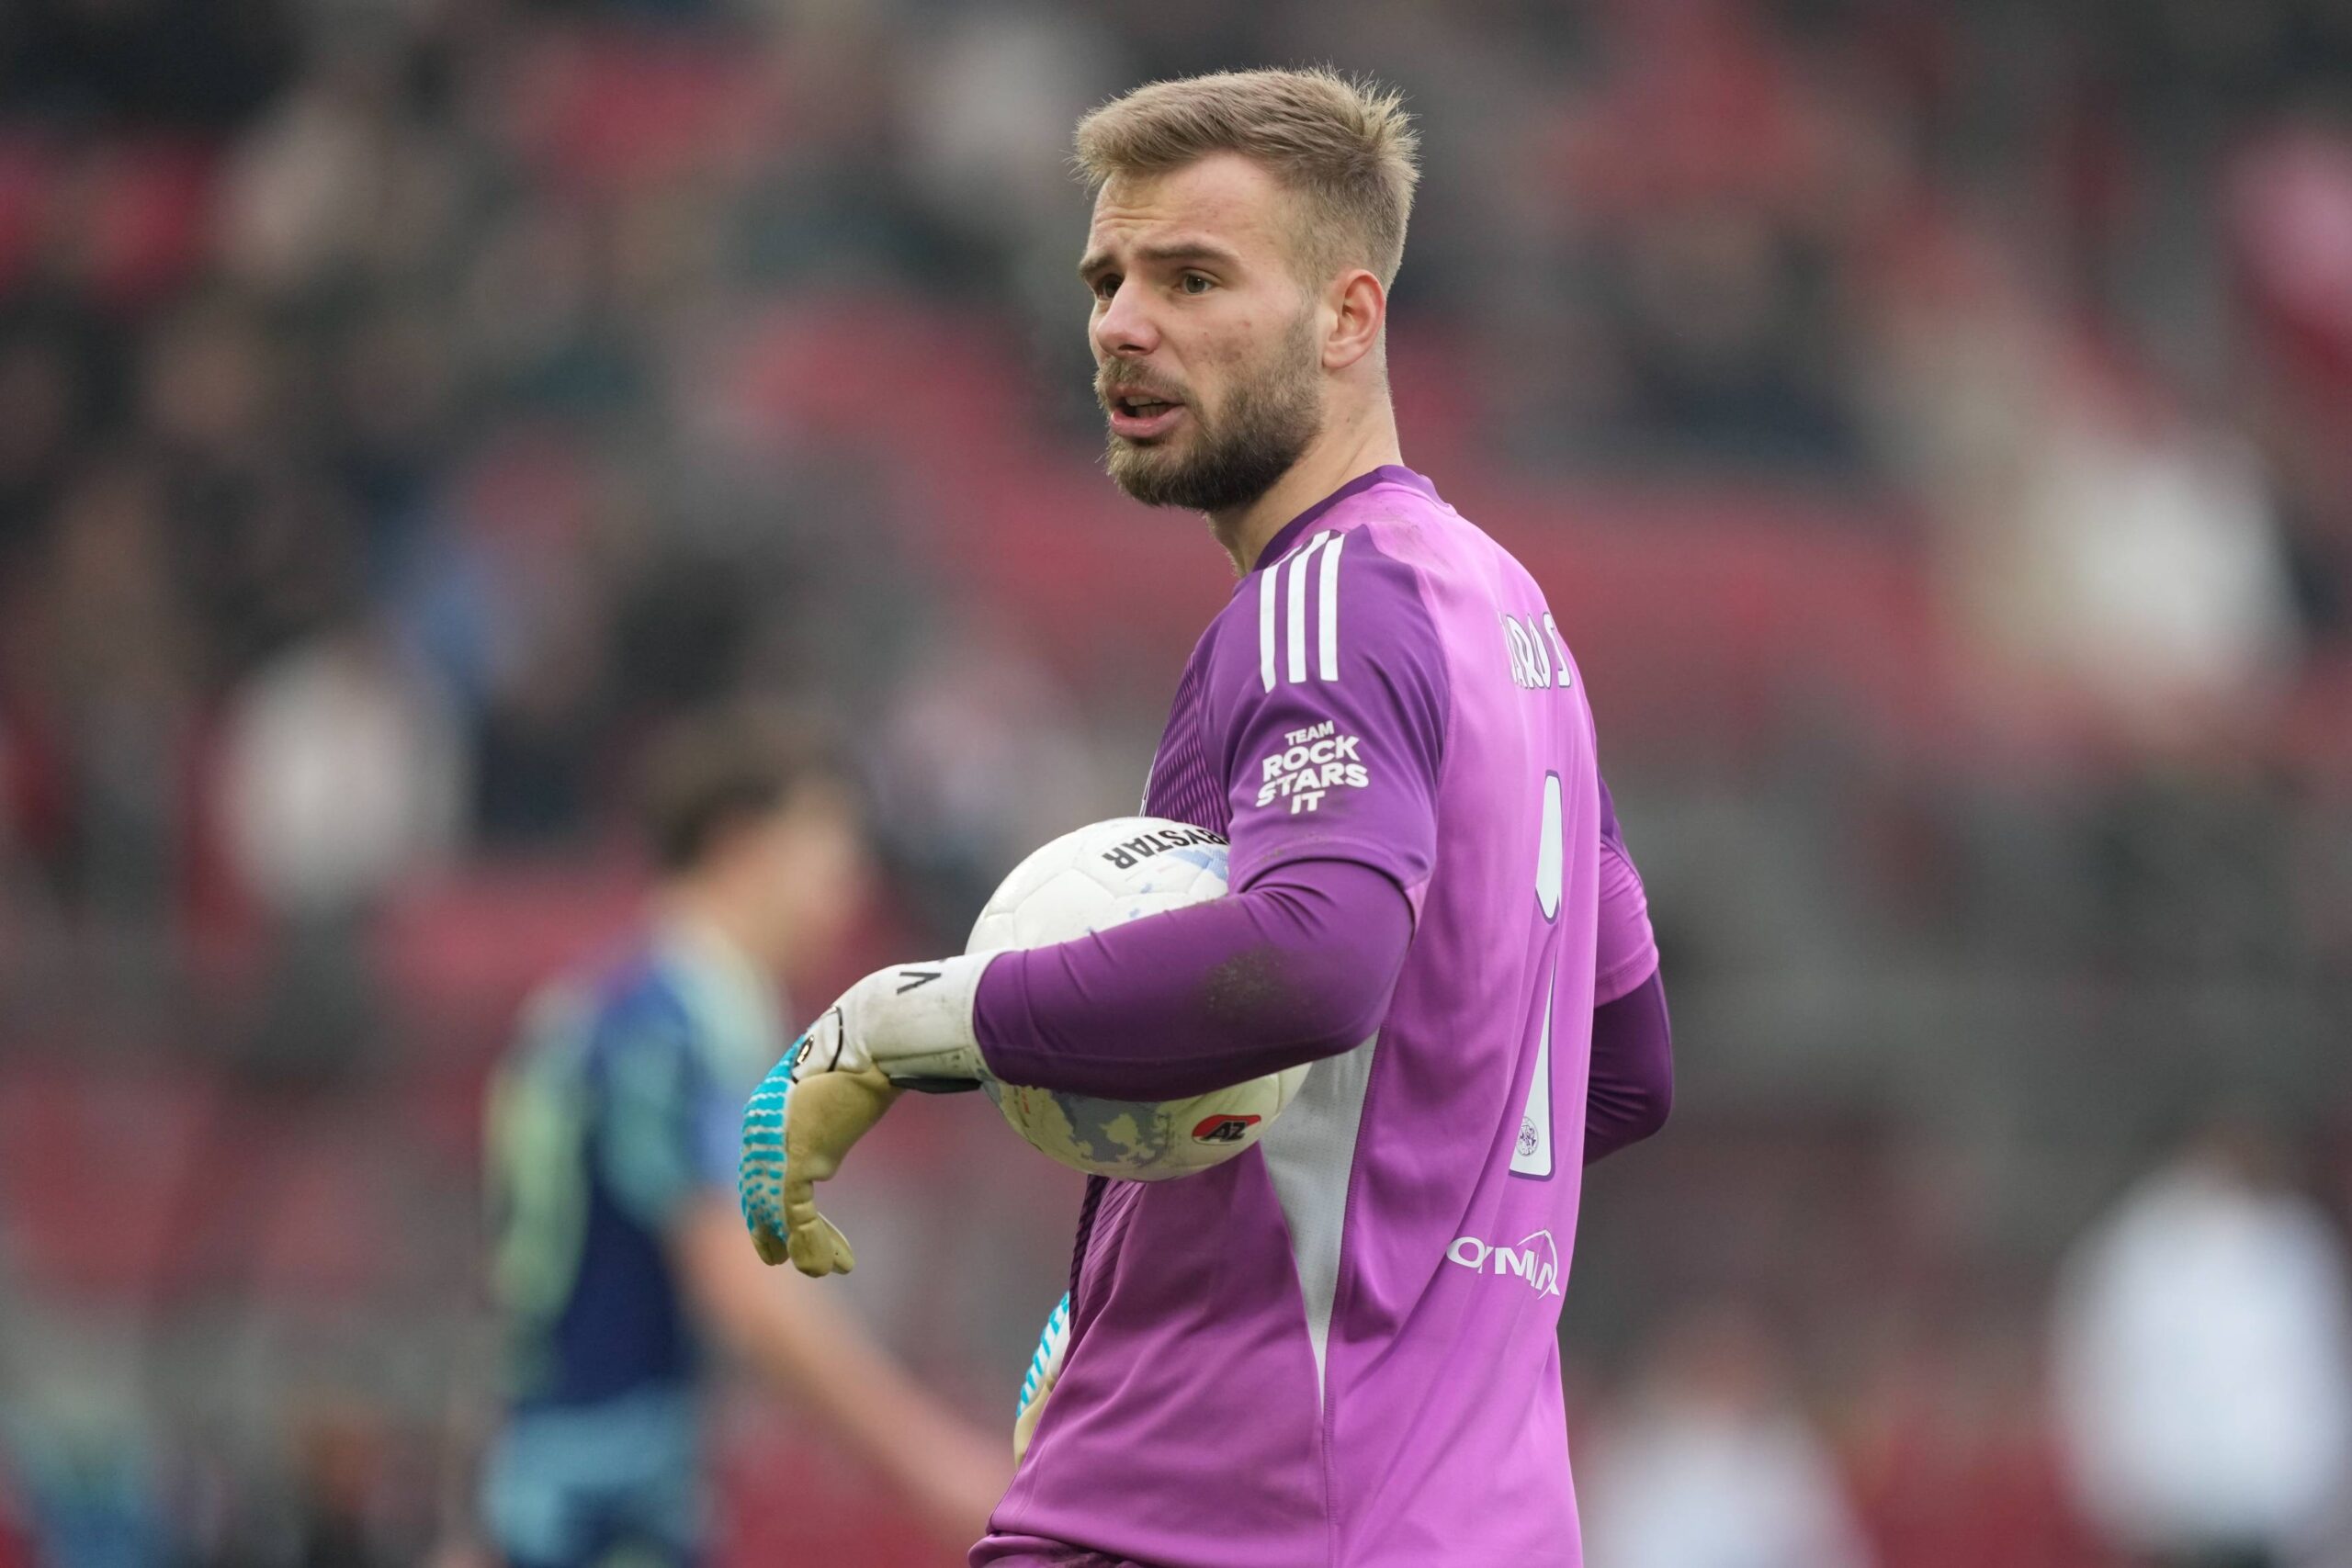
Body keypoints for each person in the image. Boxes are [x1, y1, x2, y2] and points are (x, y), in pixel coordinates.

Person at [739, 68, 1673, 1567]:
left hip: (1207, 1518)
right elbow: (1616, 1070)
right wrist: (1146, 1272)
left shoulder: (1325, 600)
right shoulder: (1513, 627)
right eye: (1105, 279)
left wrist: (908, 1021)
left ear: (1349, 318)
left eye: (1191, 279)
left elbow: (1314, 956)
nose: (1121, 323)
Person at [459, 708, 1008, 1568]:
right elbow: (741, 1281)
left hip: (553, 1482)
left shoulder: (603, 1004)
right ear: (741, 844)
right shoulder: (673, 1022)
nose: (850, 890)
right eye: (830, 851)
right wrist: (931, 1460)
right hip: (604, 1509)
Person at [2050, 1114, 2352, 1568]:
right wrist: (2122, 1489)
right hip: (2176, 1504)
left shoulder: (2293, 1242)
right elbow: (2107, 1372)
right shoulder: (2142, 1248)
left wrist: (2321, 1482)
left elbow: (2316, 1369)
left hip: (2277, 1503)